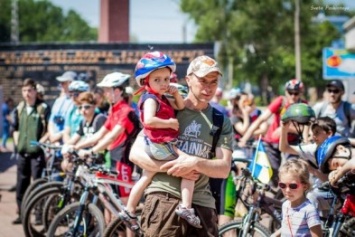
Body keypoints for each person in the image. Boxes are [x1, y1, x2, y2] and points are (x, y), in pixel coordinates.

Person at [129, 55, 233, 236]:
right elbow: (135, 154)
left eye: (213, 82)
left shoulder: (221, 120)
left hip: (202, 205)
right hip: (163, 199)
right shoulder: (167, 109)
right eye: (202, 80)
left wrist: (193, 163)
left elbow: (224, 169)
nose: (208, 87)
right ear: (189, 80)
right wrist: (174, 167)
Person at [119, 52, 195, 230]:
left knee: (146, 176)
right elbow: (149, 120)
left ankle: (129, 209)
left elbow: (181, 106)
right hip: (161, 144)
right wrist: (169, 122)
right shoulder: (150, 99)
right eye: (158, 80)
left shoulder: (161, 97)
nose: (164, 84)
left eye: (166, 79)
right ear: (146, 81)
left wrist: (175, 93)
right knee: (189, 167)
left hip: (156, 144)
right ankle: (186, 207)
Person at [73, 72, 139, 217]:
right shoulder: (114, 110)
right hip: (113, 161)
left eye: (107, 90)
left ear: (117, 90)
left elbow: (112, 137)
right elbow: (100, 134)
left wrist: (91, 151)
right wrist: (76, 147)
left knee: (127, 209)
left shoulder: (126, 111)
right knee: (111, 205)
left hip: (124, 162)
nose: (105, 93)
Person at [239, 79, 307, 186]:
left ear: (301, 93)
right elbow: (261, 119)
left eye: (296, 93)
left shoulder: (304, 106)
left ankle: (288, 195)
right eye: (290, 92)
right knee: (272, 173)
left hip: (291, 143)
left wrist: (285, 129)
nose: (293, 96)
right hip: (273, 142)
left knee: (293, 172)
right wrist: (245, 137)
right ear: (286, 92)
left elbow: (306, 128)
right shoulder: (281, 101)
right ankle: (273, 197)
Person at [12, 79, 50, 224]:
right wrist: (17, 143)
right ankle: (22, 214)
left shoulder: (43, 108)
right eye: (24, 91)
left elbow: (48, 130)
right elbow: (15, 129)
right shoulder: (19, 108)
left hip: (37, 153)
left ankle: (39, 215)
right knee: (21, 184)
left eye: (30, 90)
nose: (27, 94)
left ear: (35, 91)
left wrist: (41, 143)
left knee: (38, 184)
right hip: (22, 153)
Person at [271, 158, 322, 237]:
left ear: (305, 186)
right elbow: (287, 227)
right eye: (282, 185)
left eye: (293, 186)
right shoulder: (285, 205)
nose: (287, 190)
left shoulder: (309, 210)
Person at [313, 80, 355, 145]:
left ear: (342, 93)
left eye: (336, 91)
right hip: (323, 145)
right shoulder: (319, 108)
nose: (332, 94)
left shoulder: (348, 108)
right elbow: (308, 122)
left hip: (343, 144)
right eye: (329, 90)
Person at [47, 71, 76, 143]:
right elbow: (51, 121)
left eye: (64, 83)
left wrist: (59, 136)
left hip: (68, 141)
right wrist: (52, 135)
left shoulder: (76, 103)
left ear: (71, 83)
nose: (61, 85)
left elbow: (73, 125)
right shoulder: (58, 101)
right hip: (55, 142)